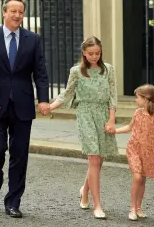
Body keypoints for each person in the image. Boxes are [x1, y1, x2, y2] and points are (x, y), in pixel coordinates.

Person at [0, 0, 50, 218]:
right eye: (13, 11)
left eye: (21, 12)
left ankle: (13, 201)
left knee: (20, 154)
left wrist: (44, 98)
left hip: (23, 104)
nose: (17, 15)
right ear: (4, 12)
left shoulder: (33, 39)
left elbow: (40, 71)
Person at [49, 36, 118, 219]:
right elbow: (67, 93)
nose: (94, 56)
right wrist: (50, 107)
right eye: (90, 54)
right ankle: (98, 205)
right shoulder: (76, 71)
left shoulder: (108, 69)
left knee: (99, 160)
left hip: (103, 114)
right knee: (94, 158)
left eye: (97, 53)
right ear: (84, 53)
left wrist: (111, 120)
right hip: (85, 114)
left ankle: (85, 191)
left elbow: (113, 96)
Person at [114, 84, 154, 221]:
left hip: (148, 151)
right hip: (134, 149)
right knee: (137, 177)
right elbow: (130, 127)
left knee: (142, 180)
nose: (135, 100)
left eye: (137, 97)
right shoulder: (137, 113)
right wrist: (115, 130)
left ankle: (138, 207)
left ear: (146, 98)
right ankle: (132, 208)